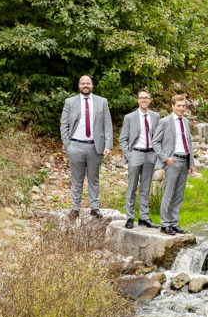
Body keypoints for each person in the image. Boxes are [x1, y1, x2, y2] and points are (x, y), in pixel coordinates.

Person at [60, 75, 112, 219]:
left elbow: (107, 124)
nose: (85, 86)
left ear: (92, 85)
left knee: (94, 178)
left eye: (88, 83)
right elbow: (64, 124)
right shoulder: (70, 102)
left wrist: (108, 144)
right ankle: (75, 208)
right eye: (83, 83)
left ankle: (94, 207)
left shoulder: (102, 102)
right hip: (75, 145)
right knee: (77, 179)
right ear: (79, 85)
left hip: (95, 146)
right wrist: (67, 145)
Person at [152, 94, 196, 235]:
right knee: (168, 193)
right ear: (172, 106)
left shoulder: (186, 122)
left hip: (184, 161)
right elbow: (155, 142)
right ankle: (165, 224)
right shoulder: (165, 121)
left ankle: (174, 223)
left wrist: (191, 162)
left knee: (179, 195)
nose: (181, 108)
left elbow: (189, 143)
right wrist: (165, 158)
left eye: (183, 106)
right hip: (172, 161)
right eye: (179, 106)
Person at [119, 89, 160, 229]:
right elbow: (123, 139)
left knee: (145, 188)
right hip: (135, 154)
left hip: (150, 155)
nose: (144, 100)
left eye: (146, 98)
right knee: (132, 187)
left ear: (150, 100)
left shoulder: (155, 116)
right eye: (141, 98)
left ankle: (144, 217)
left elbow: (158, 137)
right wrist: (128, 155)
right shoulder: (130, 117)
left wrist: (156, 154)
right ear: (137, 100)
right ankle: (130, 217)